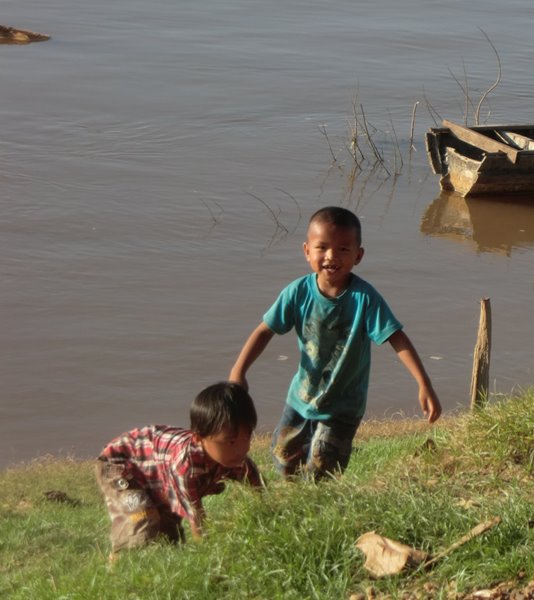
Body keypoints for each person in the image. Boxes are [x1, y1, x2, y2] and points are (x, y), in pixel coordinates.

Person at [229, 205, 441, 480]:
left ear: (358, 255)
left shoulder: (365, 299)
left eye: (343, 249)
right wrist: (238, 371)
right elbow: (264, 331)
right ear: (307, 251)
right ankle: (291, 506)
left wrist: (424, 383)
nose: (331, 256)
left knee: (321, 467)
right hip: (300, 398)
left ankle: (315, 508)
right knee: (283, 459)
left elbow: (396, 337)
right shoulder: (297, 292)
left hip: (343, 406)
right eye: (322, 247)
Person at [95, 381, 263, 558]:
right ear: (199, 438)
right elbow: (197, 520)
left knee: (170, 539)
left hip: (158, 475)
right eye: (230, 441)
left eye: (248, 436)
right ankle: (117, 565)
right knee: (142, 522)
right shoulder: (186, 467)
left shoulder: (236, 459)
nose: (242, 448)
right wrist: (209, 559)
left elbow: (261, 493)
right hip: (121, 463)